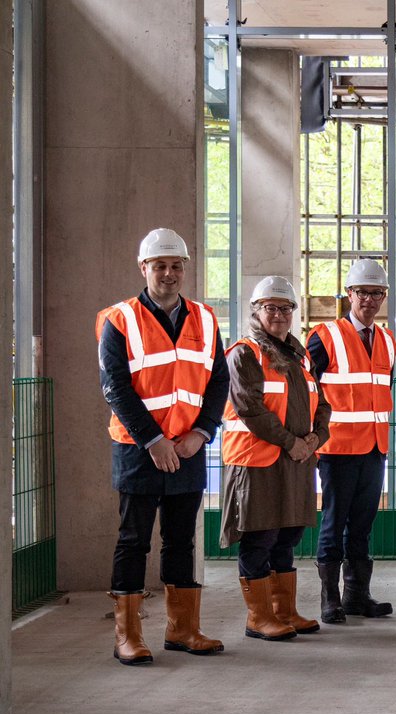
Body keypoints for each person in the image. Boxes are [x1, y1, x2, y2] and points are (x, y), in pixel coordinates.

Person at [96, 228, 228, 666]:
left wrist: (201, 433)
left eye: (175, 266)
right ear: (143, 268)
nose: (168, 274)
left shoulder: (206, 320)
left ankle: (182, 629)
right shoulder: (120, 319)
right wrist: (154, 441)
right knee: (134, 540)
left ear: (185, 269)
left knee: (180, 541)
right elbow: (115, 387)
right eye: (160, 266)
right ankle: (127, 636)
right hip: (139, 449)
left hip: (188, 449)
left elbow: (218, 383)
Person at [222, 277, 330, 641]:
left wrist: (317, 436)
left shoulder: (300, 356)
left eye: (286, 308)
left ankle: (285, 611)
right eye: (271, 307)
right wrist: (291, 443)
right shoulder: (245, 353)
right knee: (260, 537)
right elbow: (250, 408)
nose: (280, 315)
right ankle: (259, 618)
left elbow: (322, 402)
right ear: (256, 310)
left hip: (295, 461)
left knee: (288, 536)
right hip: (257, 462)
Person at [307, 258, 396, 624]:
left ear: (384, 296)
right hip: (337, 449)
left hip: (375, 447)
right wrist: (312, 440)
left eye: (377, 293)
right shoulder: (323, 337)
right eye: (363, 292)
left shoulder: (388, 340)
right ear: (349, 294)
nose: (370, 300)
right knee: (334, 521)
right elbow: (308, 391)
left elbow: (384, 390)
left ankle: (358, 595)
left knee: (362, 524)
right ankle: (330, 600)